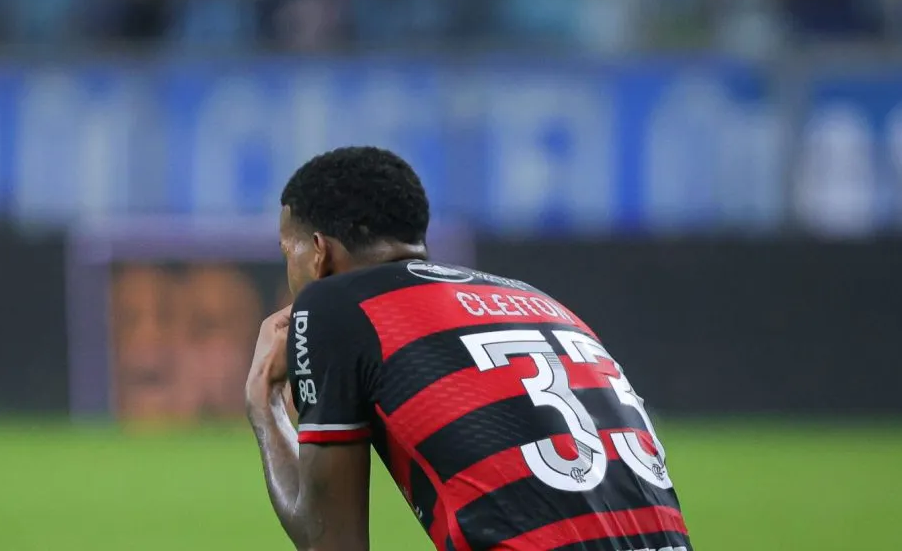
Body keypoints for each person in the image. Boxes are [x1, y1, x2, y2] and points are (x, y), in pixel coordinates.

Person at [244, 146, 692, 551]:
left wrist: (265, 404)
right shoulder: (538, 301)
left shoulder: (331, 304)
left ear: (320, 252)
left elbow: (330, 542)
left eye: (288, 251)